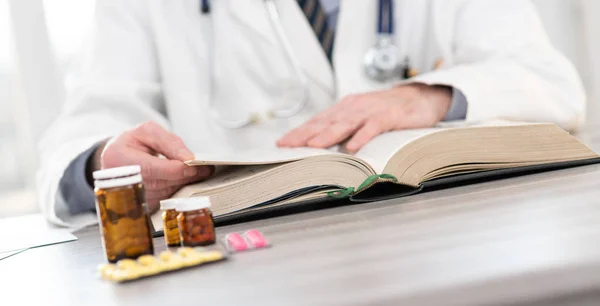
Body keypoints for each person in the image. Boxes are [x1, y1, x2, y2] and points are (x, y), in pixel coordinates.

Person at [38, 0, 585, 227]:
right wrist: (100, 166)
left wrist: (429, 96)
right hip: (243, 273)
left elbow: (554, 83)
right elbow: (82, 132)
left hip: (437, 240)